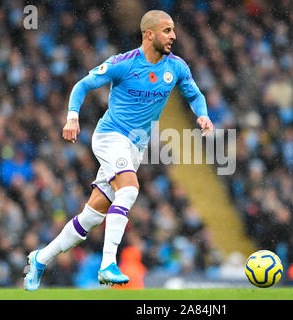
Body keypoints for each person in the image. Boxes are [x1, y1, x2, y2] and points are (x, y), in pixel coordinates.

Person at [24, 10, 213, 290]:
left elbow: (194, 93)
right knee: (129, 189)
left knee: (90, 217)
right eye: (167, 30)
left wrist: (202, 114)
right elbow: (82, 85)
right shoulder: (123, 63)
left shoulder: (177, 67)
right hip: (110, 136)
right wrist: (72, 117)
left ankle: (41, 258)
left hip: (136, 147)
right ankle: (108, 264)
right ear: (149, 34)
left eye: (173, 30)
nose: (173, 36)